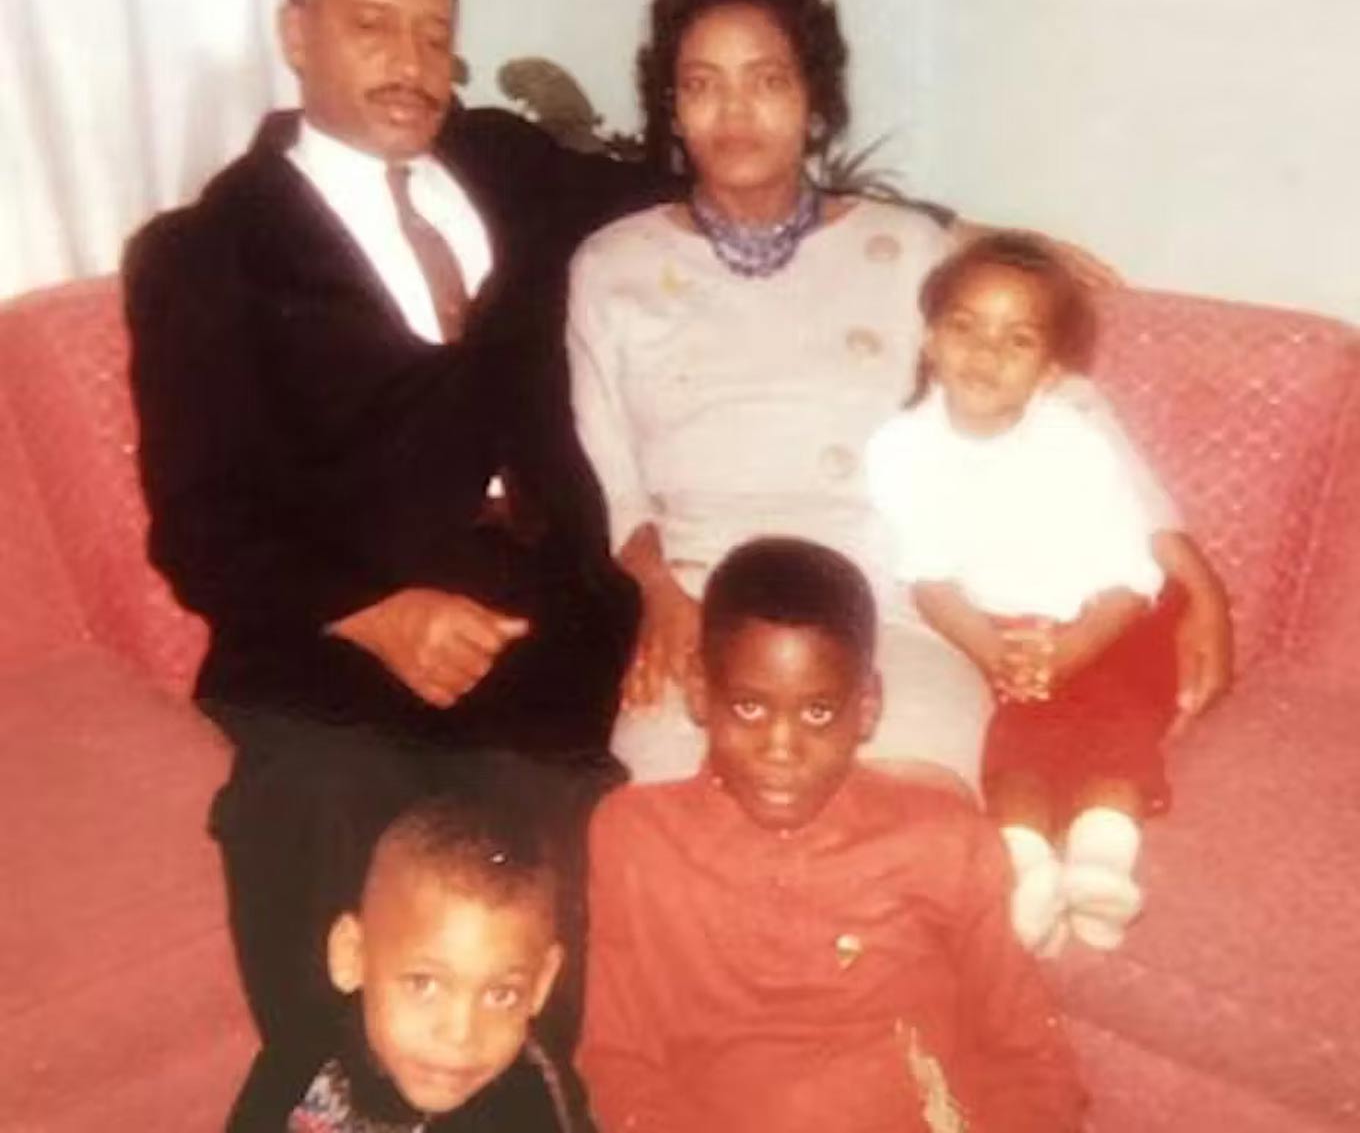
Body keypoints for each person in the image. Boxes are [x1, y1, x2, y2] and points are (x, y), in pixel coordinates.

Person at [124, 0, 665, 1056]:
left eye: (436, 37)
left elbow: (694, 188)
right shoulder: (203, 252)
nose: (413, 65)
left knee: (523, 908)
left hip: (543, 642)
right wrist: (381, 616)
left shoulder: (505, 165)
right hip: (333, 656)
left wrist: (938, 230)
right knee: (340, 854)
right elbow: (199, 521)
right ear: (297, 31)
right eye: (375, 28)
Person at [566, 0, 1231, 789]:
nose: (735, 112)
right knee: (671, 835)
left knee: (910, 826)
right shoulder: (609, 268)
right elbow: (610, 481)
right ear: (672, 105)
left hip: (893, 610)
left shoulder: (909, 248)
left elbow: (1068, 415)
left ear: (814, 101)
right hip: (711, 615)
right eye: (703, 84)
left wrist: (1197, 580)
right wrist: (661, 597)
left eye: (767, 80)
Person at [577, 537, 1087, 1133]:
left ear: (866, 708)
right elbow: (620, 1059)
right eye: (748, 707)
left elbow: (1030, 1057)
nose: (781, 748)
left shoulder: (945, 842)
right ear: (699, 694)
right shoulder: (636, 839)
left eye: (818, 712)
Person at [866, 231, 1215, 953]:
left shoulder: (1074, 443)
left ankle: (1099, 865)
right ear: (930, 339)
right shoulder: (900, 450)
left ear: (1049, 372)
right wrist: (996, 651)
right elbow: (926, 576)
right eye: (965, 327)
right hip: (1006, 633)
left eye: (1015, 340)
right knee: (1013, 744)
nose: (985, 353)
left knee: (1107, 727)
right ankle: (1028, 872)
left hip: (1115, 622)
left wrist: (1070, 647)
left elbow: (1133, 574)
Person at [227, 783, 591, 1131]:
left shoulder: (528, 1108)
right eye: (424, 984)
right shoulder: (299, 1057)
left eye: (500, 994)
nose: (460, 1034)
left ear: (542, 983)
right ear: (351, 955)